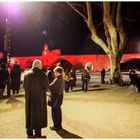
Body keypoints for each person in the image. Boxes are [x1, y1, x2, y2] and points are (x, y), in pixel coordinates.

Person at [23, 59, 49, 138]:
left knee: (29, 114)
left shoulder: (26, 74)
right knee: (38, 115)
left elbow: (24, 86)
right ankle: (38, 134)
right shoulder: (42, 74)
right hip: (39, 99)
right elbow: (47, 87)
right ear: (40, 66)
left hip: (29, 99)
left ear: (33, 65)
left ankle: (29, 133)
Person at [49, 66, 64, 131]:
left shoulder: (57, 79)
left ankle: (56, 126)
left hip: (56, 99)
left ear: (58, 72)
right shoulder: (61, 78)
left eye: (55, 72)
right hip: (59, 98)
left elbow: (51, 87)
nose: (54, 73)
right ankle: (59, 126)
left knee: (55, 113)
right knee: (58, 112)